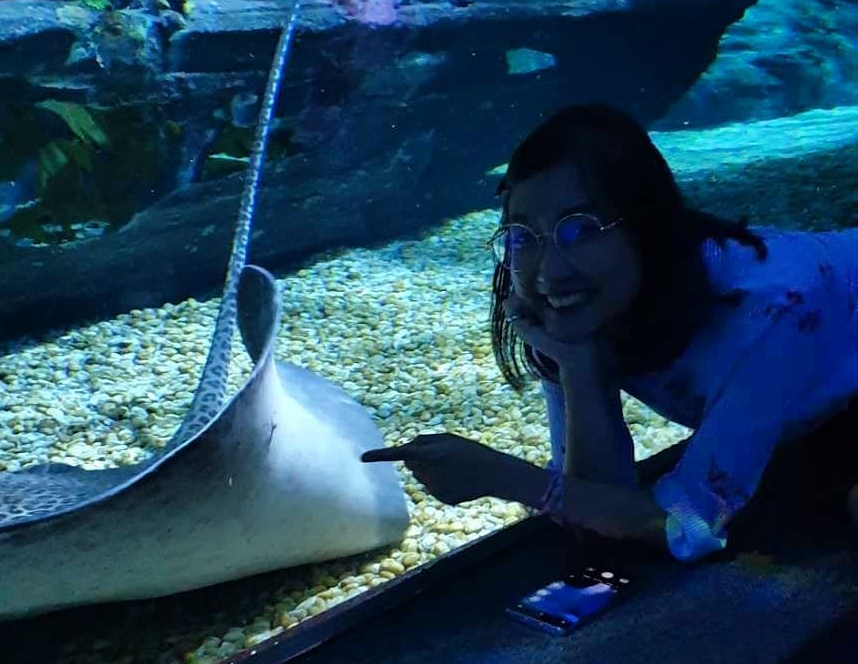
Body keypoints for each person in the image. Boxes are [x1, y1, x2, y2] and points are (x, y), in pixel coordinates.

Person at [361, 103, 858, 563]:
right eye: (522, 237)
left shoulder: (773, 309)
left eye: (580, 229)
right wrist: (578, 367)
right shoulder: (587, 312)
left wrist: (505, 477)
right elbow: (599, 515)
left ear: (647, 226)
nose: (548, 272)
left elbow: (690, 527)